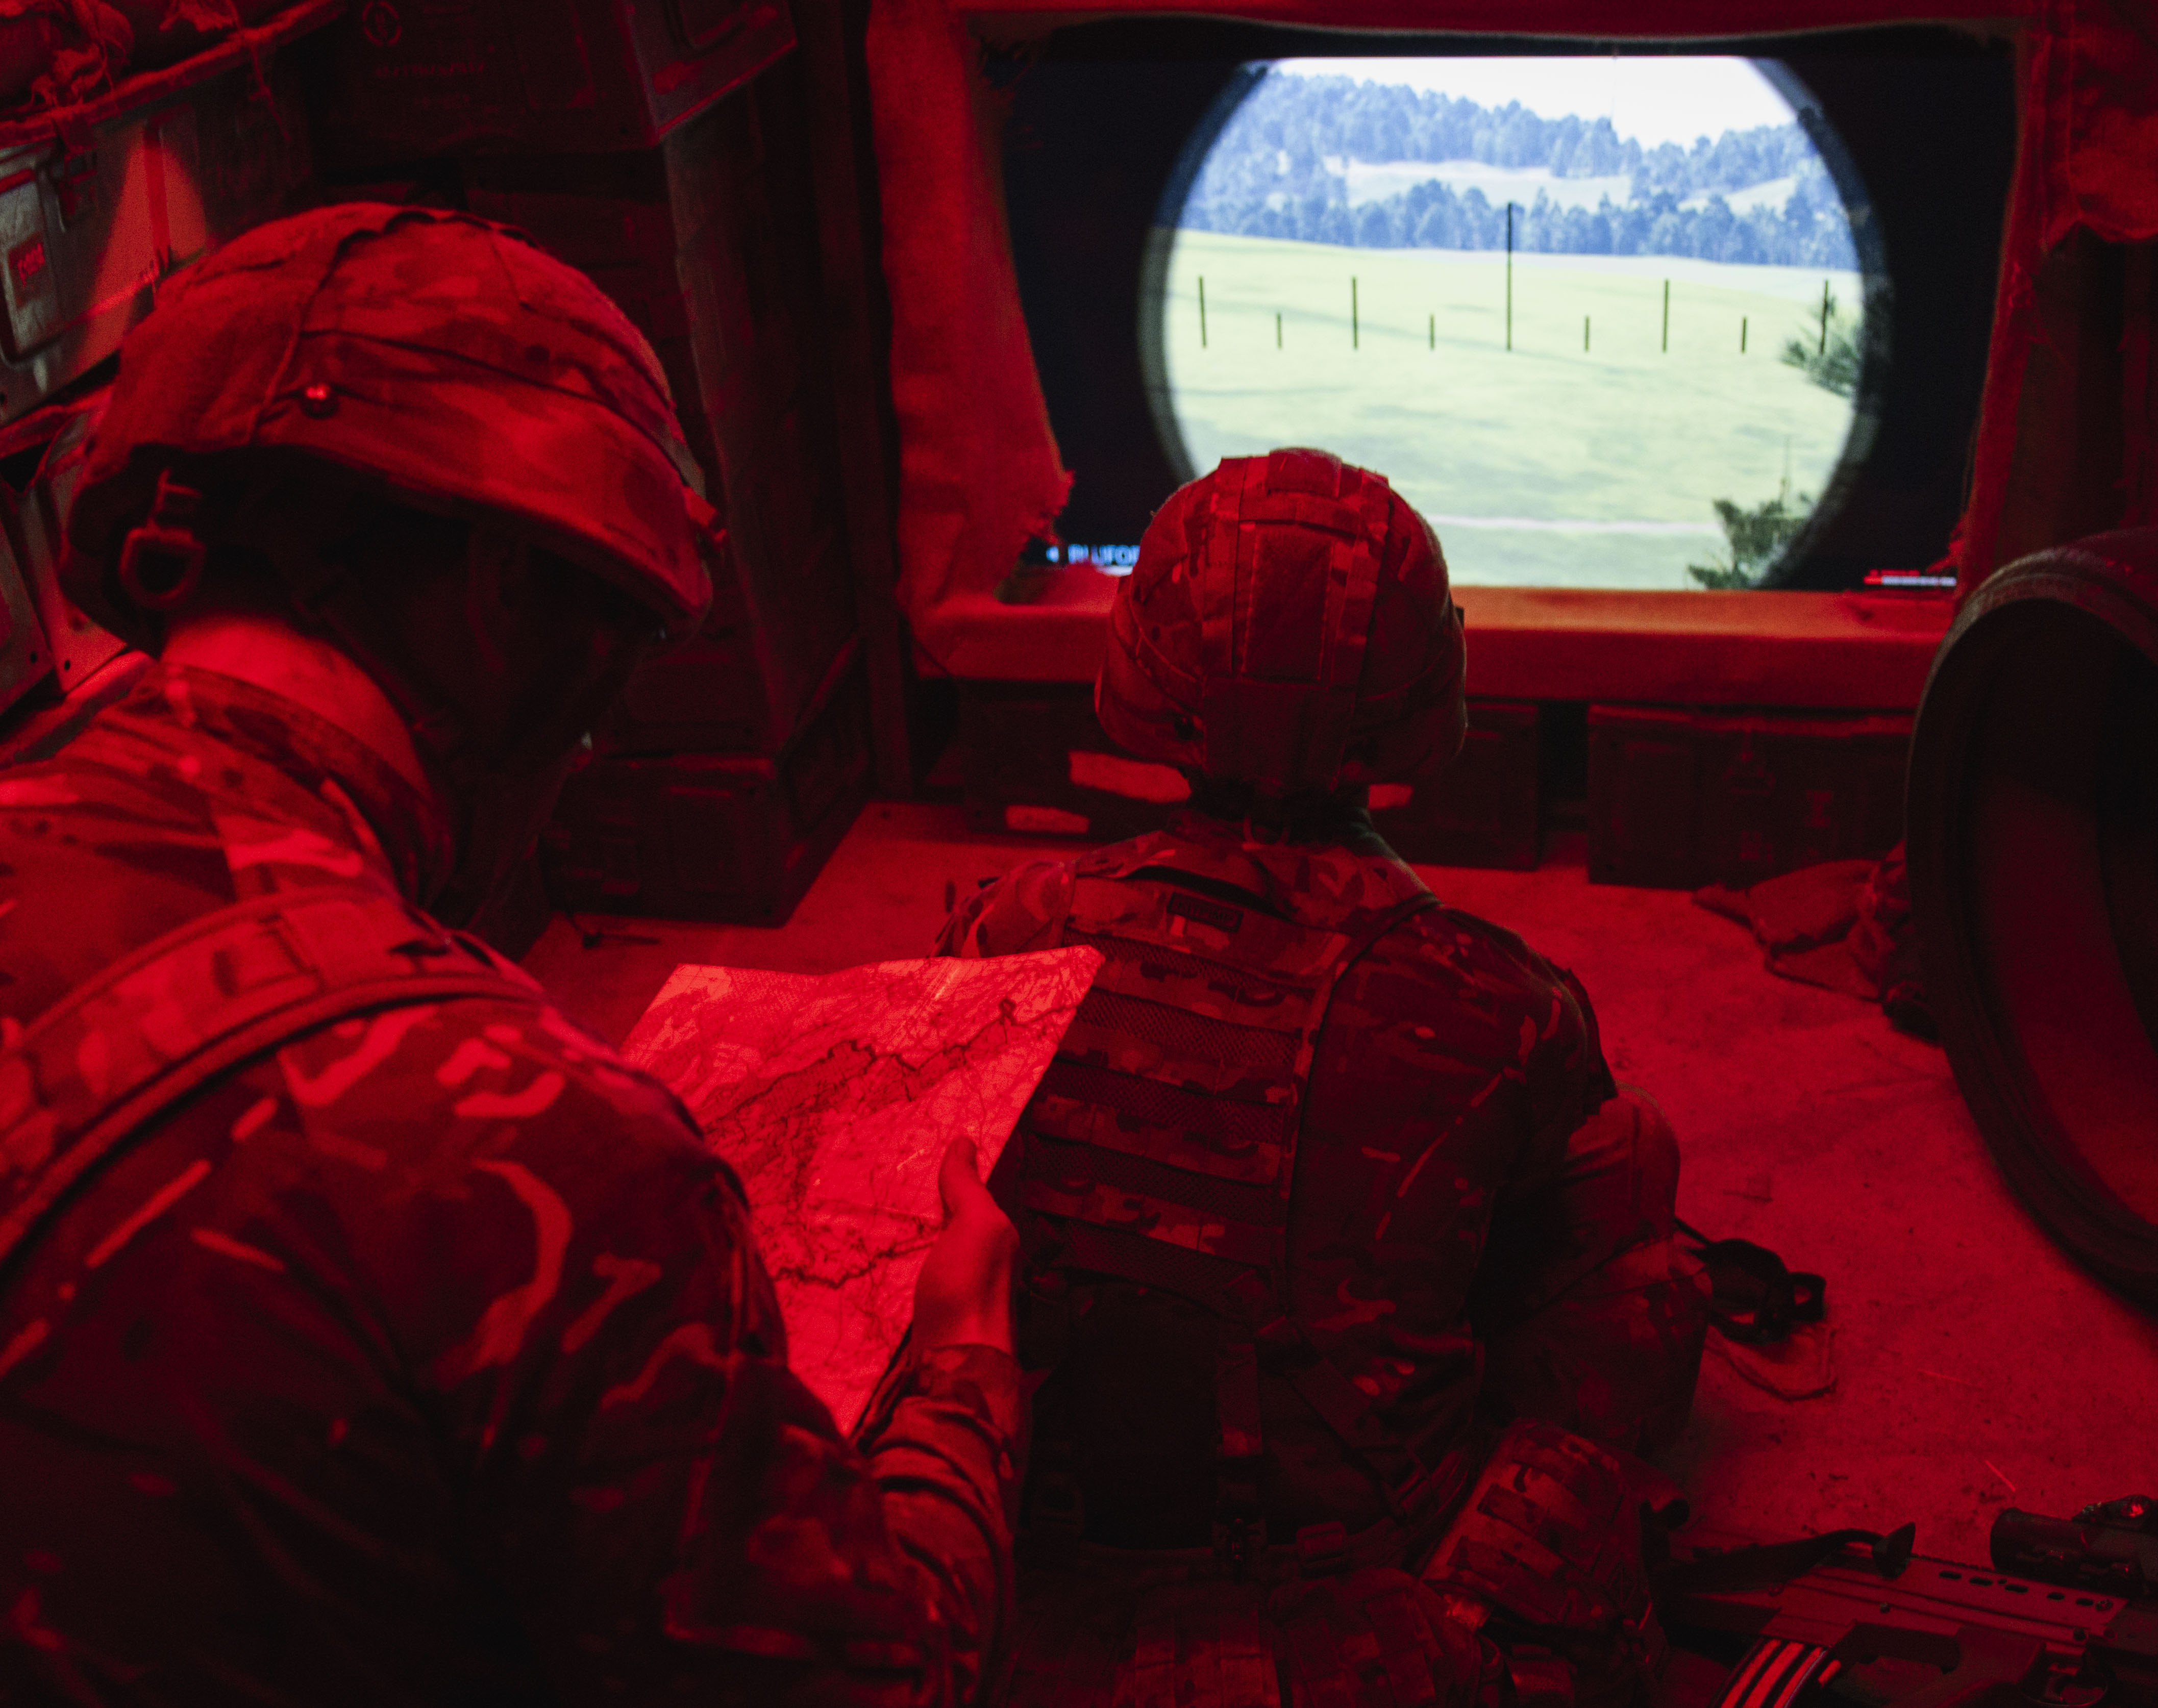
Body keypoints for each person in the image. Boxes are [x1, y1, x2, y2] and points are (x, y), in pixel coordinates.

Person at [0, 204, 1024, 1705]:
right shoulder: (553, 1153)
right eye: (600, 655)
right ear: (496, 604)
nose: (590, 731)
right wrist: (963, 1377)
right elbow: (874, 1683)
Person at [936, 448, 1712, 1708]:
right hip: (1351, 1598)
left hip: (1030, 1548)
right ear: (1427, 692)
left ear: (1141, 665)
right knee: (1633, 1165)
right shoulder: (1499, 1001)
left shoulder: (1010, 926)